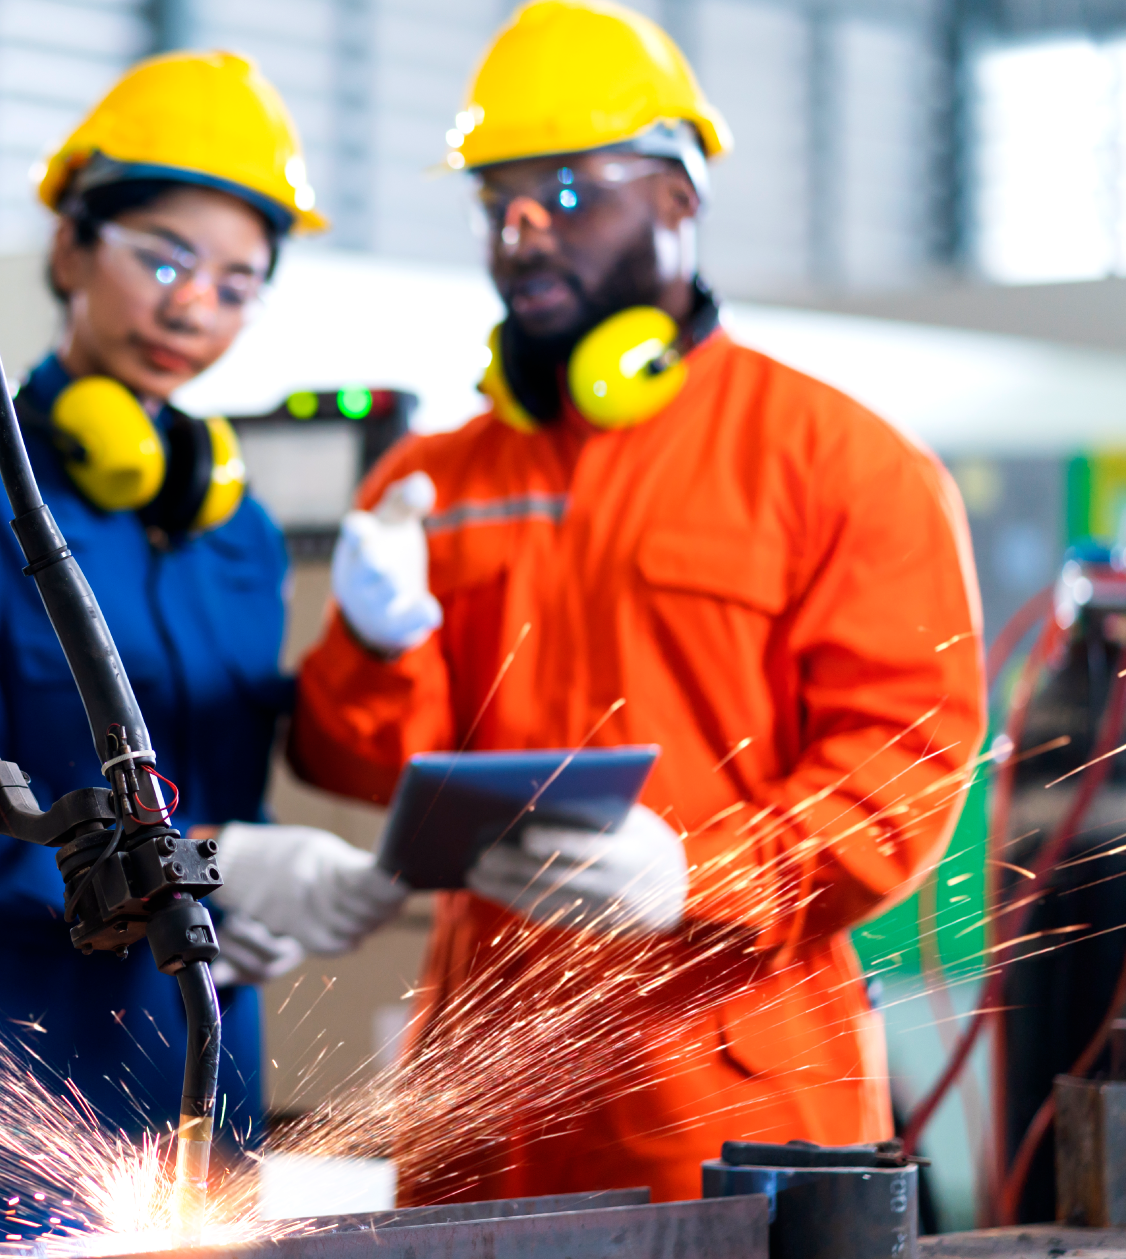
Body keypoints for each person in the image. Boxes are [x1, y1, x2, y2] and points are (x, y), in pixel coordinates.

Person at [289, 0, 987, 1205]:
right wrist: (373, 637)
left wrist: (700, 874)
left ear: (678, 196)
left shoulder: (841, 461)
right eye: (495, 201)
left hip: (725, 1092)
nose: (519, 234)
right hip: (482, 1091)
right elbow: (360, 764)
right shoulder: (432, 481)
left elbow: (904, 762)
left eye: (565, 194)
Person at [0, 51, 406, 1248]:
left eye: (236, 283)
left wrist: (375, 651)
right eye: (162, 258)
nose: (191, 308)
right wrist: (195, 866)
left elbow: (239, 792)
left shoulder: (242, 532)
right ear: (69, 249)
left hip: (197, 1064)